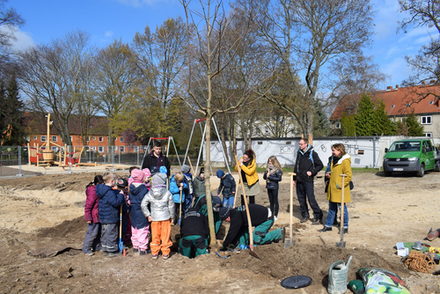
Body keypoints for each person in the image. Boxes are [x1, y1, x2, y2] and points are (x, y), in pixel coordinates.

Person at [219, 203, 283, 251]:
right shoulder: (236, 213)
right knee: (242, 230)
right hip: (259, 219)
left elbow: (232, 232)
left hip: (267, 219)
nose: (226, 221)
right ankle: (242, 245)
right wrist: (234, 243)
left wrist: (225, 245)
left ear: (227, 217)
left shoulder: (236, 217)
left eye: (225, 220)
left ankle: (279, 233)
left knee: (256, 239)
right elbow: (240, 230)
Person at [319, 143, 352, 233]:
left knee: (342, 209)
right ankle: (328, 225)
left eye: (333, 150)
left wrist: (340, 185)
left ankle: (345, 226)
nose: (332, 152)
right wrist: (330, 174)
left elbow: (348, 176)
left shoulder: (345, 161)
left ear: (339, 150)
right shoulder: (334, 159)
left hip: (340, 189)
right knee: (332, 208)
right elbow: (336, 172)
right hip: (332, 188)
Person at [141, 173, 175, 260]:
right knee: (165, 236)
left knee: (155, 235)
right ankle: (165, 253)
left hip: (154, 217)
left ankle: (154, 253)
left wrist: (148, 215)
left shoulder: (149, 193)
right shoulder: (168, 193)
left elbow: (143, 204)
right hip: (165, 218)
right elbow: (171, 206)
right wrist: (172, 217)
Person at [293, 138, 324, 224]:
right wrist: (294, 179)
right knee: (301, 199)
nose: (299, 145)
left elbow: (320, 165)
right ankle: (305, 215)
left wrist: (312, 172)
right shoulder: (299, 153)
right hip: (299, 180)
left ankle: (318, 215)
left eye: (301, 144)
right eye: (299, 144)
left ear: (306, 144)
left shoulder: (312, 153)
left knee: (311, 199)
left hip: (308, 180)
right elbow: (297, 166)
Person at [96, 172, 125, 257]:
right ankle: (111, 250)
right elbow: (115, 202)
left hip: (104, 216)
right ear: (112, 181)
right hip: (110, 216)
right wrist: (121, 196)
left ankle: (104, 247)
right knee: (111, 233)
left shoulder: (102, 190)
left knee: (105, 232)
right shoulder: (109, 192)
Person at [128, 169, 150, 255]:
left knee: (134, 228)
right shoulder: (144, 189)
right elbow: (146, 201)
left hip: (132, 210)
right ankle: (143, 248)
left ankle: (135, 246)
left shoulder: (131, 187)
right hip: (141, 210)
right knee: (143, 229)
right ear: (142, 177)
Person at [82, 175, 104, 256]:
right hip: (93, 216)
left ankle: (97, 246)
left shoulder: (97, 190)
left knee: (98, 232)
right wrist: (88, 217)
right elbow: (88, 205)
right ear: (98, 183)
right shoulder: (93, 192)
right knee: (92, 233)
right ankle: (86, 249)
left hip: (98, 214)